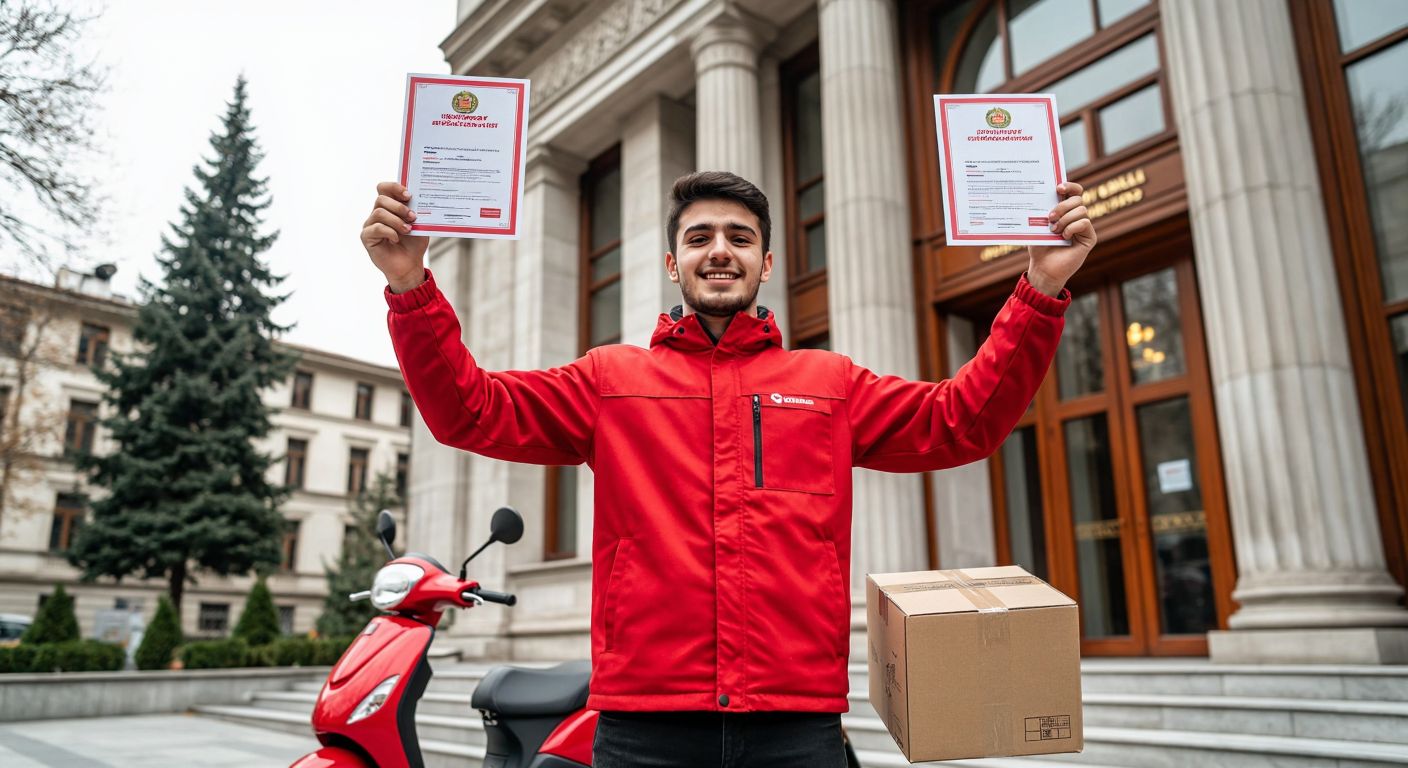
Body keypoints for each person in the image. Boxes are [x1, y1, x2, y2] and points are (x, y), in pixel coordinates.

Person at [361, 171, 1095, 767]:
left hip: (794, 727)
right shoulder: (608, 379)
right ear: (674, 262)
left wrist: (1040, 292)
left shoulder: (829, 381)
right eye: (700, 236)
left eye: (740, 238)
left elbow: (958, 423)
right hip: (644, 727)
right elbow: (470, 411)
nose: (721, 250)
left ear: (766, 262)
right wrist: (409, 286)